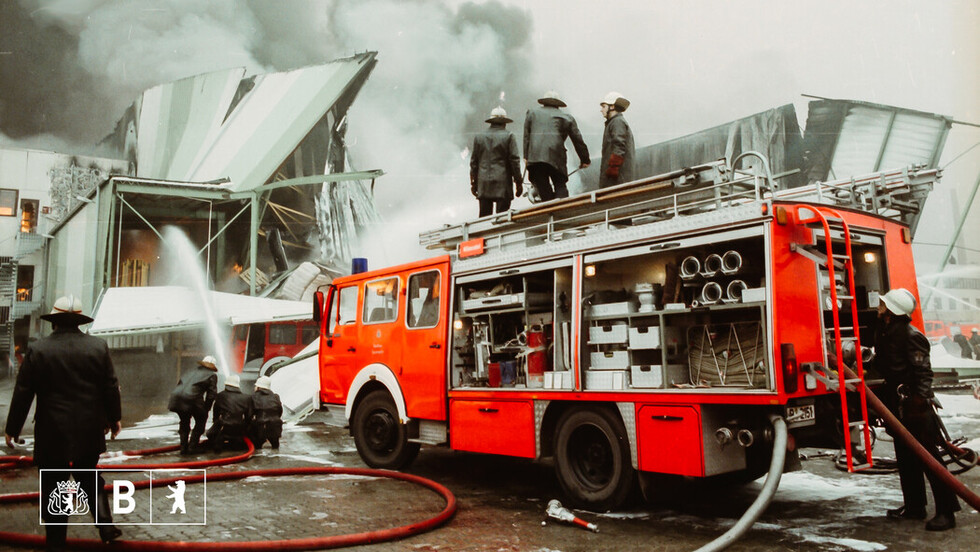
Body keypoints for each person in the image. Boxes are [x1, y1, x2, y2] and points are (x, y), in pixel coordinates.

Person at [4, 295, 123, 547]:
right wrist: (114, 420)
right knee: (88, 477)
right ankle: (106, 526)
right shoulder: (98, 347)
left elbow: (23, 391)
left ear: (53, 322)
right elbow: (110, 387)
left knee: (54, 484)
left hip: (52, 431)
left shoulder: (39, 349)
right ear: (79, 322)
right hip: (89, 429)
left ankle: (56, 541)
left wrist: (12, 429)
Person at [873, 288, 959, 531]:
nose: (879, 307)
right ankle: (914, 507)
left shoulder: (912, 336)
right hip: (898, 406)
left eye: (883, 305)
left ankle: (947, 512)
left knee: (930, 459)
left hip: (914, 407)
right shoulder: (887, 332)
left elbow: (923, 373)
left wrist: (919, 402)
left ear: (891, 311)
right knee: (906, 457)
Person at [523, 91, 590, 201]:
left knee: (543, 187)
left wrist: (526, 156)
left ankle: (549, 206)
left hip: (535, 157)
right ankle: (562, 207)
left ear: (544, 102)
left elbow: (527, 136)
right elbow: (578, 140)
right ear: (558, 104)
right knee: (560, 184)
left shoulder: (531, 113)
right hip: (556, 156)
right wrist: (585, 160)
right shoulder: (567, 118)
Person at [470, 106, 523, 217]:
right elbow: (514, 161)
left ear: (491, 122)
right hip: (503, 184)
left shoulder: (479, 137)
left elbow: (474, 163)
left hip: (483, 184)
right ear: (505, 123)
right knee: (501, 219)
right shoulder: (509, 136)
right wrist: (518, 182)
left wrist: (474, 183)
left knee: (484, 219)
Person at [168, 355, 219, 454]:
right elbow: (211, 395)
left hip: (176, 398)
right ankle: (192, 447)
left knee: (184, 421)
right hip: (191, 399)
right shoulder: (212, 375)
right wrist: (206, 409)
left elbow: (180, 385)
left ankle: (183, 448)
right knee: (201, 421)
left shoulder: (190, 371)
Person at [206, 374, 252, 452]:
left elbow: (216, 414)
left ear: (226, 384)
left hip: (224, 426)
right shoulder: (247, 398)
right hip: (239, 427)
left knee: (210, 434)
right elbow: (249, 416)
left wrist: (216, 425)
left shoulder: (220, 396)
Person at [598, 92, 635, 189]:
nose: (601, 110)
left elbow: (619, 146)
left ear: (612, 107)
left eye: (604, 106)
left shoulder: (617, 122)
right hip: (617, 178)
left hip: (617, 179)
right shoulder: (615, 122)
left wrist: (613, 168)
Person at [249, 376, 283, 449]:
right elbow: (280, 411)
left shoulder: (254, 397)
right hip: (275, 427)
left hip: (261, 426)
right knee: (275, 446)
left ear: (258, 387)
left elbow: (250, 414)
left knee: (257, 447)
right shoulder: (276, 396)